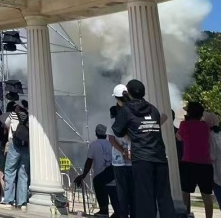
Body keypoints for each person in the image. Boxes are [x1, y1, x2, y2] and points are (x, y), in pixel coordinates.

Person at [111, 79, 176, 218]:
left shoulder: (127, 110)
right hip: (159, 156)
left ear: (127, 93)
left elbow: (117, 130)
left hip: (142, 159)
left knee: (144, 197)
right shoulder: (153, 109)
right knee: (164, 196)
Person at [177, 101, 214, 218]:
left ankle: (185, 215)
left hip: (188, 163)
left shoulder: (184, 125)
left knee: (185, 193)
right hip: (205, 164)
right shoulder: (205, 126)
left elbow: (178, 137)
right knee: (207, 196)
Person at [75, 124, 119, 217]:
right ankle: (116, 212)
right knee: (115, 200)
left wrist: (83, 175)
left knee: (101, 195)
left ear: (96, 133)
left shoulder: (94, 145)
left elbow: (89, 161)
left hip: (100, 176)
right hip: (113, 175)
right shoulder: (111, 144)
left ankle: (103, 211)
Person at [108, 99, 134, 218]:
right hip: (124, 161)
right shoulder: (131, 120)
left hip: (121, 162)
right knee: (128, 191)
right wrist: (124, 151)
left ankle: (125, 214)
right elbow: (112, 139)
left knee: (123, 191)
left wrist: (123, 151)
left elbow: (112, 140)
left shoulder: (116, 122)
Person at [2, 105, 31, 210]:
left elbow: (6, 124)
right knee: (23, 173)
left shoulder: (13, 114)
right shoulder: (29, 116)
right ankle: (22, 202)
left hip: (14, 145)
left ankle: (8, 200)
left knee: (10, 171)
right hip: (26, 146)